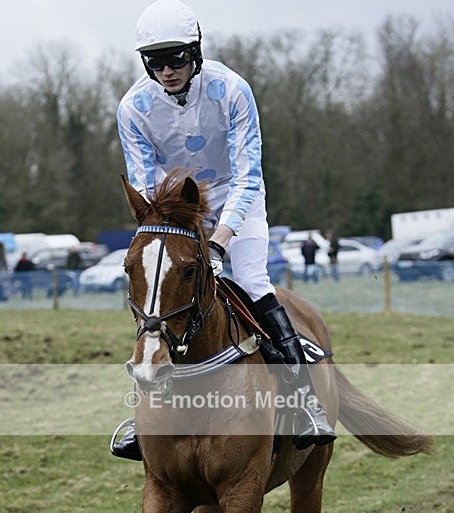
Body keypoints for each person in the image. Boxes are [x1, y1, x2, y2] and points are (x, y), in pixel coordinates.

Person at [112, 0, 335, 460]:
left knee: (252, 279)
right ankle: (143, 413)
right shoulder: (133, 107)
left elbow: (249, 173)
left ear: (195, 51)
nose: (166, 70)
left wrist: (218, 241)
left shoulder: (232, 89)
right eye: (155, 61)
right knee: (157, 292)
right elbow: (143, 180)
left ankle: (304, 399)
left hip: (237, 194)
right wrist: (167, 225)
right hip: (175, 205)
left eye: (175, 58)